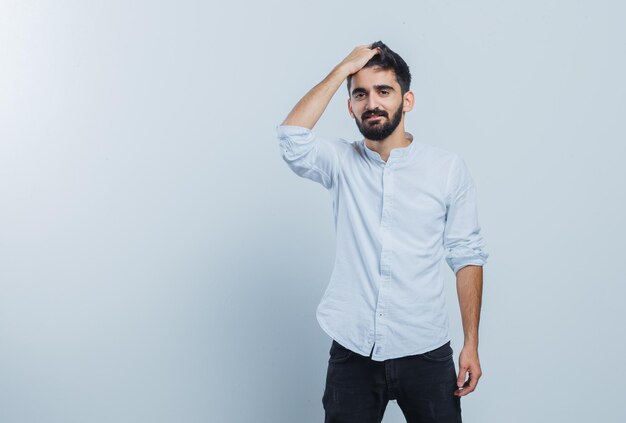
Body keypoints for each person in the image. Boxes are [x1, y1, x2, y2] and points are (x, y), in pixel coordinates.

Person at [276, 41, 489, 423]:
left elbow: (466, 254)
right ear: (350, 106)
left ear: (407, 101)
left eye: (384, 91)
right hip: (353, 348)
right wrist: (343, 68)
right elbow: (291, 138)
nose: (372, 102)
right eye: (361, 94)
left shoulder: (446, 169)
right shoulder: (340, 161)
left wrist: (470, 343)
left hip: (425, 347)